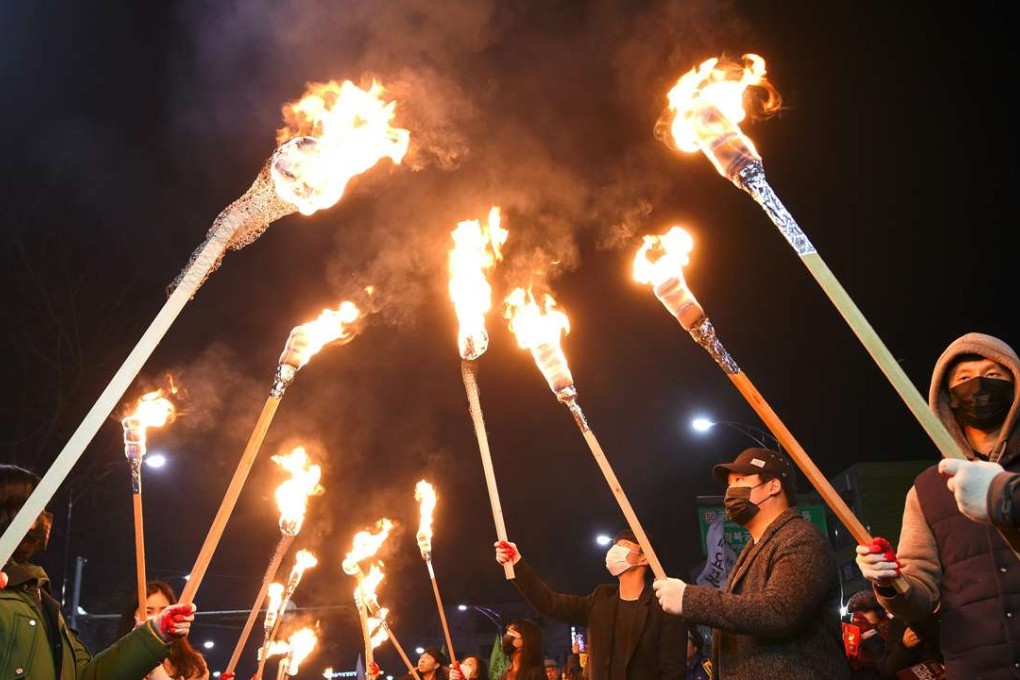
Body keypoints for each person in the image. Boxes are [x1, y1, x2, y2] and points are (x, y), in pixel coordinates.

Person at [855, 334, 1020, 677]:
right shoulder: (927, 489)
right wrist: (889, 581)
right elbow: (920, 595)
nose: (979, 385)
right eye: (964, 378)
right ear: (950, 399)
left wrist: (1001, 496)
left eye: (993, 375)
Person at [653, 448, 849, 679]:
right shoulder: (755, 547)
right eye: (728, 485)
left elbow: (779, 613)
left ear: (773, 486)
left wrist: (690, 599)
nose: (730, 492)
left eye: (739, 480)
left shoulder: (801, 538)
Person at [1, 463, 196, 679]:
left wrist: (155, 634)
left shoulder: (37, 597)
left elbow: (88, 676)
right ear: (13, 512)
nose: (44, 518)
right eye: (36, 508)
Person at [495, 529, 685, 679]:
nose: (614, 551)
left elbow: (672, 671)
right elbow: (550, 602)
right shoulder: (600, 599)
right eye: (615, 545)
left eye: (624, 545)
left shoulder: (663, 607)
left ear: (644, 557)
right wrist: (517, 564)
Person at [116, 580, 210, 679]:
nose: (157, 617)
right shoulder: (116, 661)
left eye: (163, 611)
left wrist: (156, 671)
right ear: (134, 616)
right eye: (148, 612)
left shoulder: (193, 663)